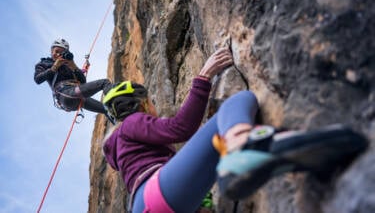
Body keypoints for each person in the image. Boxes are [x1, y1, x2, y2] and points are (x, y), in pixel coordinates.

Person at [101, 47, 368, 213]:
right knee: (238, 103)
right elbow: (180, 128)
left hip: (152, 204)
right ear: (142, 104)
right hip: (158, 194)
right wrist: (204, 77)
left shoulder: (123, 153)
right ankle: (243, 143)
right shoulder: (132, 124)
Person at [34, 38, 111, 115]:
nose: (58, 55)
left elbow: (83, 82)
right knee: (104, 83)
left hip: (75, 96)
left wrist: (74, 66)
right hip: (65, 93)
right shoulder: (44, 63)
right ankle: (118, 103)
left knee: (108, 110)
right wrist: (54, 67)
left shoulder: (68, 65)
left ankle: (118, 117)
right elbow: (38, 79)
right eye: (56, 51)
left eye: (61, 53)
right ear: (51, 51)